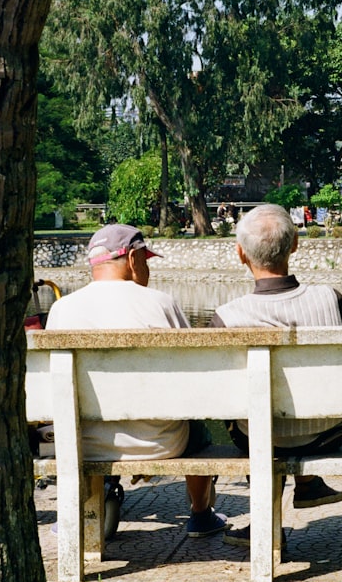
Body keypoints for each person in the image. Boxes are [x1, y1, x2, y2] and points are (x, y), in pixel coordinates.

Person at [46, 224, 229, 538]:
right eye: (146, 260)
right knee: (198, 426)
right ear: (132, 259)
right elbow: (198, 380)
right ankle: (201, 513)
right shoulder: (161, 303)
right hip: (160, 443)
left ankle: (82, 507)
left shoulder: (62, 309)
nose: (147, 268)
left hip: (80, 445)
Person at [210, 203, 342, 547]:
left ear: (241, 254)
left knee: (251, 413)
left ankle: (264, 523)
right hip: (328, 432)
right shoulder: (332, 300)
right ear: (294, 245)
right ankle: (306, 482)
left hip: (254, 436)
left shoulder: (227, 317)